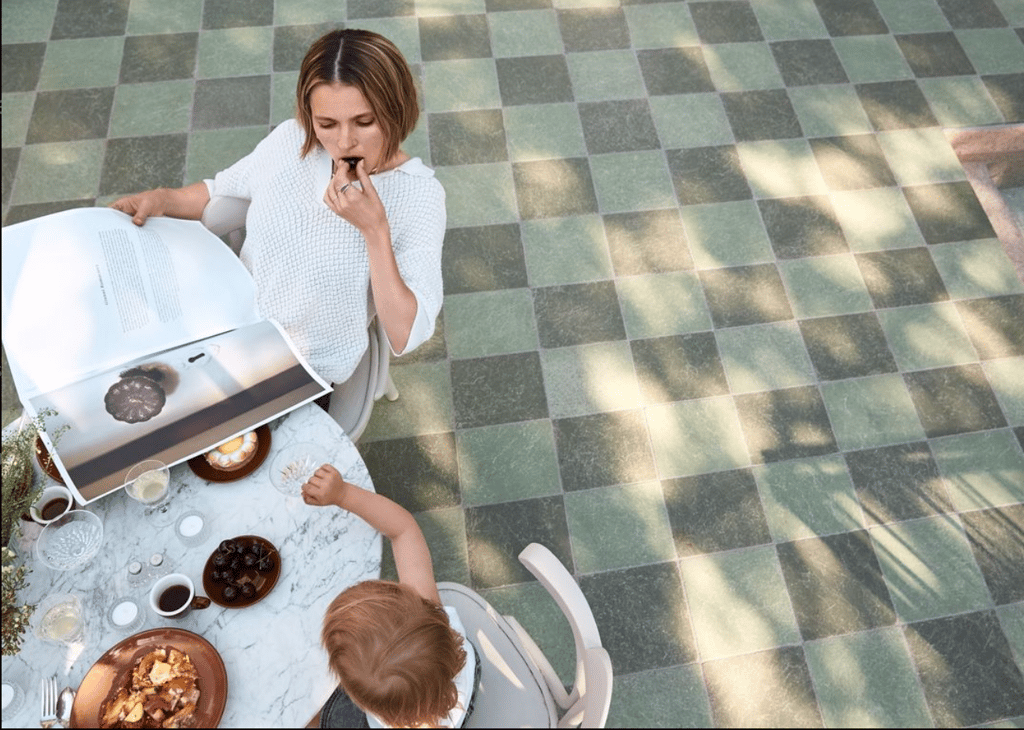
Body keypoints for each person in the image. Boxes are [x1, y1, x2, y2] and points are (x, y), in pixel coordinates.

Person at [110, 29, 445, 388]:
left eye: (364, 122)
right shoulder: (291, 141)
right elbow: (222, 193)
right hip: (224, 331)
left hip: (302, 372)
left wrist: (374, 230)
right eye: (326, 124)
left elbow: (404, 335)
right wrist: (164, 198)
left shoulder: (420, 196)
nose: (344, 142)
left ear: (396, 110)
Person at [302, 464, 479, 728]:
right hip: (458, 683)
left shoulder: (426, 617)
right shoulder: (425, 611)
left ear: (362, 703)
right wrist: (343, 494)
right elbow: (403, 529)